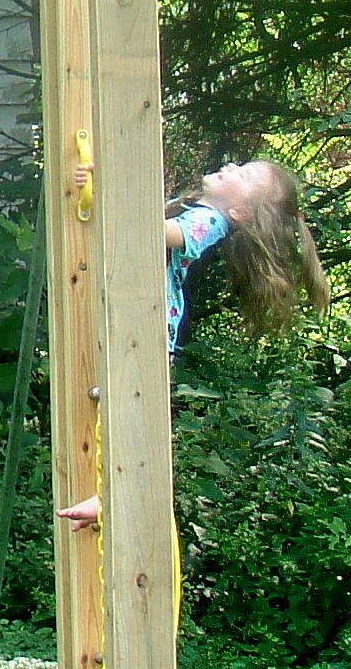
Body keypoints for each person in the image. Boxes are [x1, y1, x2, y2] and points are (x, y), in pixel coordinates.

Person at [57, 157, 329, 530]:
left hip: (148, 338)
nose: (232, 165)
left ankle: (109, 497)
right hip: (139, 333)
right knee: (123, 416)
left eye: (244, 174)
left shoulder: (207, 222)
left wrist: (102, 192)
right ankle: (105, 495)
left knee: (130, 421)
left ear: (239, 211)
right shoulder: (193, 212)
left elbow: (151, 231)